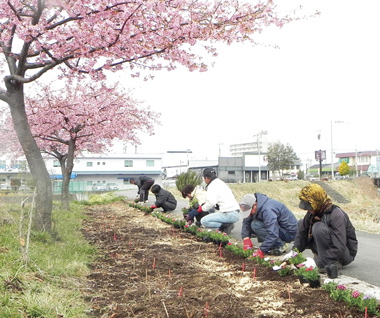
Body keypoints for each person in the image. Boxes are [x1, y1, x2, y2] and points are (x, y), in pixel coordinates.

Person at [293, 184, 357, 271]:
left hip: (343, 253)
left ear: (317, 202)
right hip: (332, 250)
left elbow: (339, 246)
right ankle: (322, 258)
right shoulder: (313, 212)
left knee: (318, 227)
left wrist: (318, 263)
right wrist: (294, 253)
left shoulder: (336, 215)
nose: (309, 210)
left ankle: (329, 262)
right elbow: (302, 233)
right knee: (301, 223)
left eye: (310, 207)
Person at [195, 167, 240, 234]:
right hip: (235, 212)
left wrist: (202, 208)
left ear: (206, 178)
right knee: (213, 214)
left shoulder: (212, 186)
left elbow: (211, 202)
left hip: (228, 214)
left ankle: (226, 226)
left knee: (204, 221)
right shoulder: (221, 183)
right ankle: (226, 225)